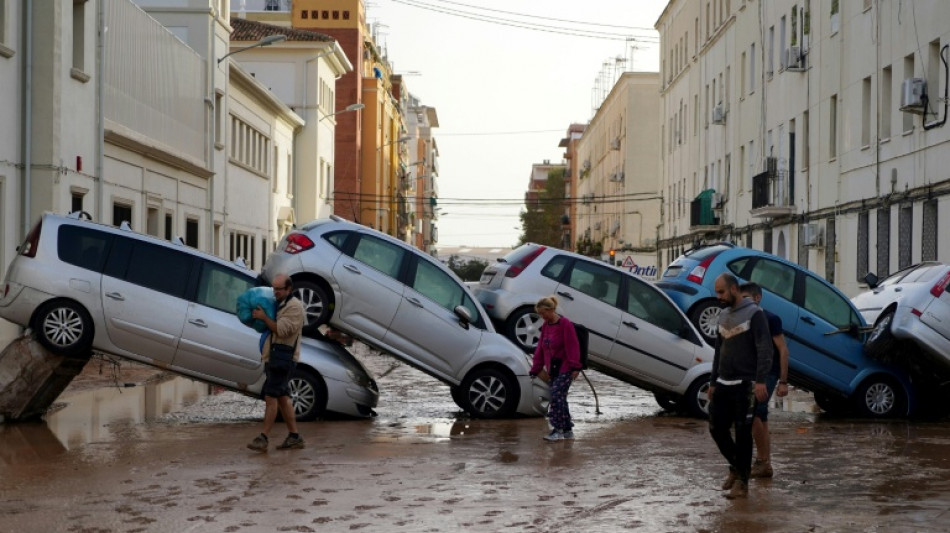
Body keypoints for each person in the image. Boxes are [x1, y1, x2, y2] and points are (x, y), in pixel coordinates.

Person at [708, 273, 773, 499]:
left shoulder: (755, 314)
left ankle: (742, 483)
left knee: (744, 433)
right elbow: (718, 351)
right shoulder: (723, 315)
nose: (718, 297)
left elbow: (766, 349)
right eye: (717, 292)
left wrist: (761, 381)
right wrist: (713, 381)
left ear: (734, 289)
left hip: (746, 385)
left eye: (721, 292)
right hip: (723, 383)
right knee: (716, 428)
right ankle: (737, 467)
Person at [247, 273, 306, 452]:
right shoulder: (279, 304)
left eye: (279, 289)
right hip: (274, 357)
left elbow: (282, 330)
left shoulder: (295, 308)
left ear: (289, 289)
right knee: (282, 397)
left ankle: (263, 438)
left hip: (284, 359)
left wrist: (264, 317)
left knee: (270, 396)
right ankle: (294, 436)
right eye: (274, 288)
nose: (275, 292)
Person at [740, 282, 791, 479]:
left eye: (746, 298)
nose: (742, 302)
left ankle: (761, 462)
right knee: (761, 416)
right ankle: (765, 463)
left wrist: (783, 381)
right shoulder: (743, 318)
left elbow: (783, 350)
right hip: (752, 374)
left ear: (757, 298)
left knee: (754, 415)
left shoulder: (770, 318)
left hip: (768, 373)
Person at [528, 296, 582, 442]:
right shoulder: (546, 326)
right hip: (553, 369)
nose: (542, 316)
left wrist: (575, 367)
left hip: (566, 367)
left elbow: (572, 346)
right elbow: (540, 348)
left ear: (551, 310)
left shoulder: (565, 324)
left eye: (543, 313)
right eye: (540, 314)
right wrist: (535, 368)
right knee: (560, 398)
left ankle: (557, 429)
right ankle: (567, 430)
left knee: (556, 396)